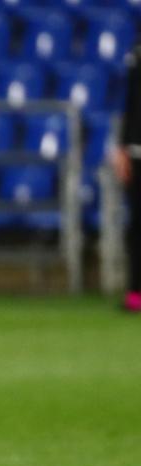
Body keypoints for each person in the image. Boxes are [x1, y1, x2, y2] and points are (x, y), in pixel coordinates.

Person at [113, 41, 141, 313]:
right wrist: (122, 146)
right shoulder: (137, 54)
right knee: (137, 226)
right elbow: (131, 103)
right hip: (137, 151)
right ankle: (136, 291)